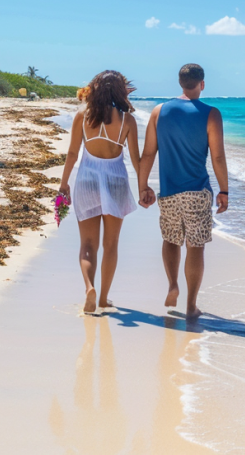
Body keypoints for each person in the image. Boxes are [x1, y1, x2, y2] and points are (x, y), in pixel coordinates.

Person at [138, 63, 228, 319]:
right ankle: (190, 305)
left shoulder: (159, 112)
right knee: (195, 246)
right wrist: (225, 191)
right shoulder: (211, 114)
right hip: (197, 192)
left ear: (180, 83)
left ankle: (172, 285)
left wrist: (143, 186)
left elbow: (148, 153)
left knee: (170, 240)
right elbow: (218, 157)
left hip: (168, 191)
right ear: (202, 84)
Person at [59, 70, 144, 313]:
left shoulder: (82, 117)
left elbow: (73, 154)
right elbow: (136, 160)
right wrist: (143, 187)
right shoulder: (127, 121)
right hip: (116, 181)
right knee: (111, 244)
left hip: (87, 180)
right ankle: (104, 298)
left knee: (87, 244)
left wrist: (64, 184)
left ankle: (89, 288)